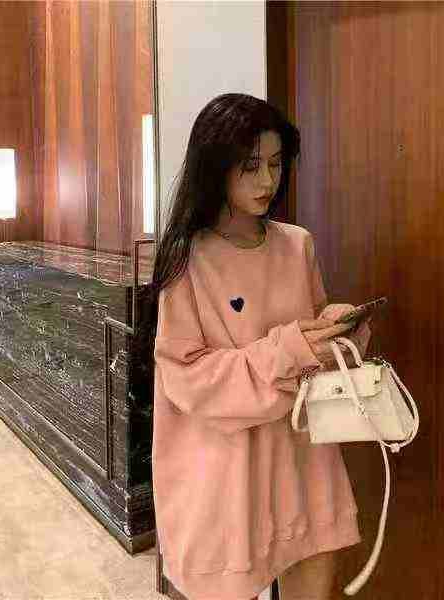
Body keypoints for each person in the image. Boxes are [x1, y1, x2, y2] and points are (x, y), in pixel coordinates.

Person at [150, 93, 372, 600]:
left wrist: (337, 332)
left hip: (303, 463)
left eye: (275, 163)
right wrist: (289, 350)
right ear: (216, 166)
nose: (267, 181)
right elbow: (186, 378)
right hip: (225, 475)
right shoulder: (188, 258)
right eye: (250, 166)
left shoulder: (297, 245)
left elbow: (312, 355)